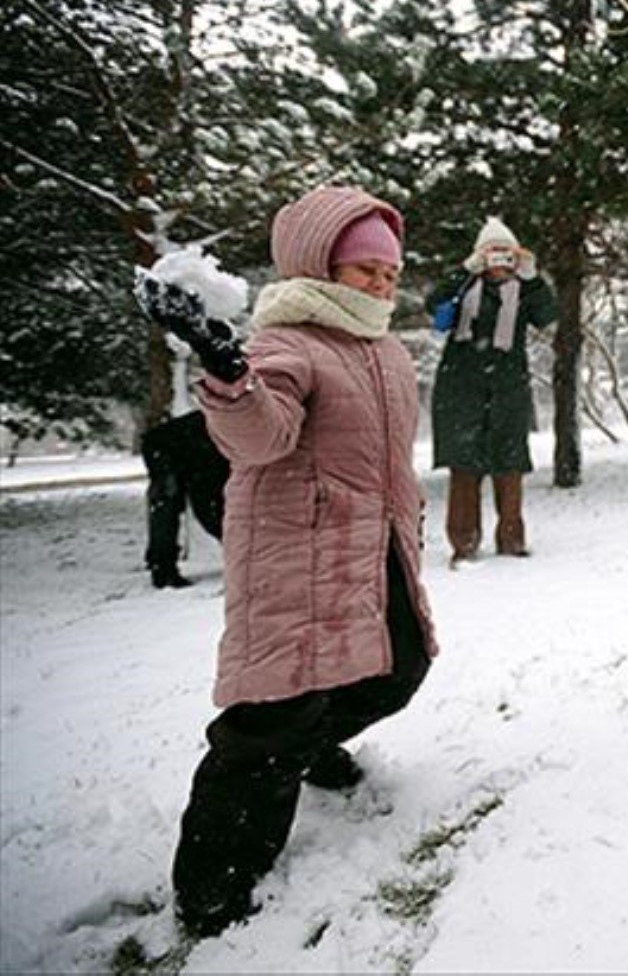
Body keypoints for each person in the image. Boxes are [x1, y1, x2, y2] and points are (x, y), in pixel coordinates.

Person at [135, 185, 440, 940]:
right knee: (267, 728)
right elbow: (258, 437)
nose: (383, 280)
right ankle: (213, 892)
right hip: (295, 557)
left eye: (391, 269)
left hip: (377, 549)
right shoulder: (286, 343)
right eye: (367, 267)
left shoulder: (386, 350)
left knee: (399, 667)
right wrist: (223, 369)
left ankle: (311, 748)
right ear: (321, 265)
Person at [426, 216, 558, 565]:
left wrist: (532, 278)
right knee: (464, 468)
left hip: (507, 388)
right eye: (492, 255)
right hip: (461, 387)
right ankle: (463, 544)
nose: (499, 264)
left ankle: (512, 541)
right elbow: (433, 305)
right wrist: (463, 270)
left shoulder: (524, 290)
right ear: (481, 257)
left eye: (506, 255)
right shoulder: (463, 286)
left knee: (509, 465)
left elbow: (547, 315)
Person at [141, 409, 229, 588]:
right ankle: (162, 569)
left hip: (176, 445)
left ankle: (159, 563)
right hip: (167, 448)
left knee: (166, 505)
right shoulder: (220, 450)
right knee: (168, 503)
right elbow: (208, 507)